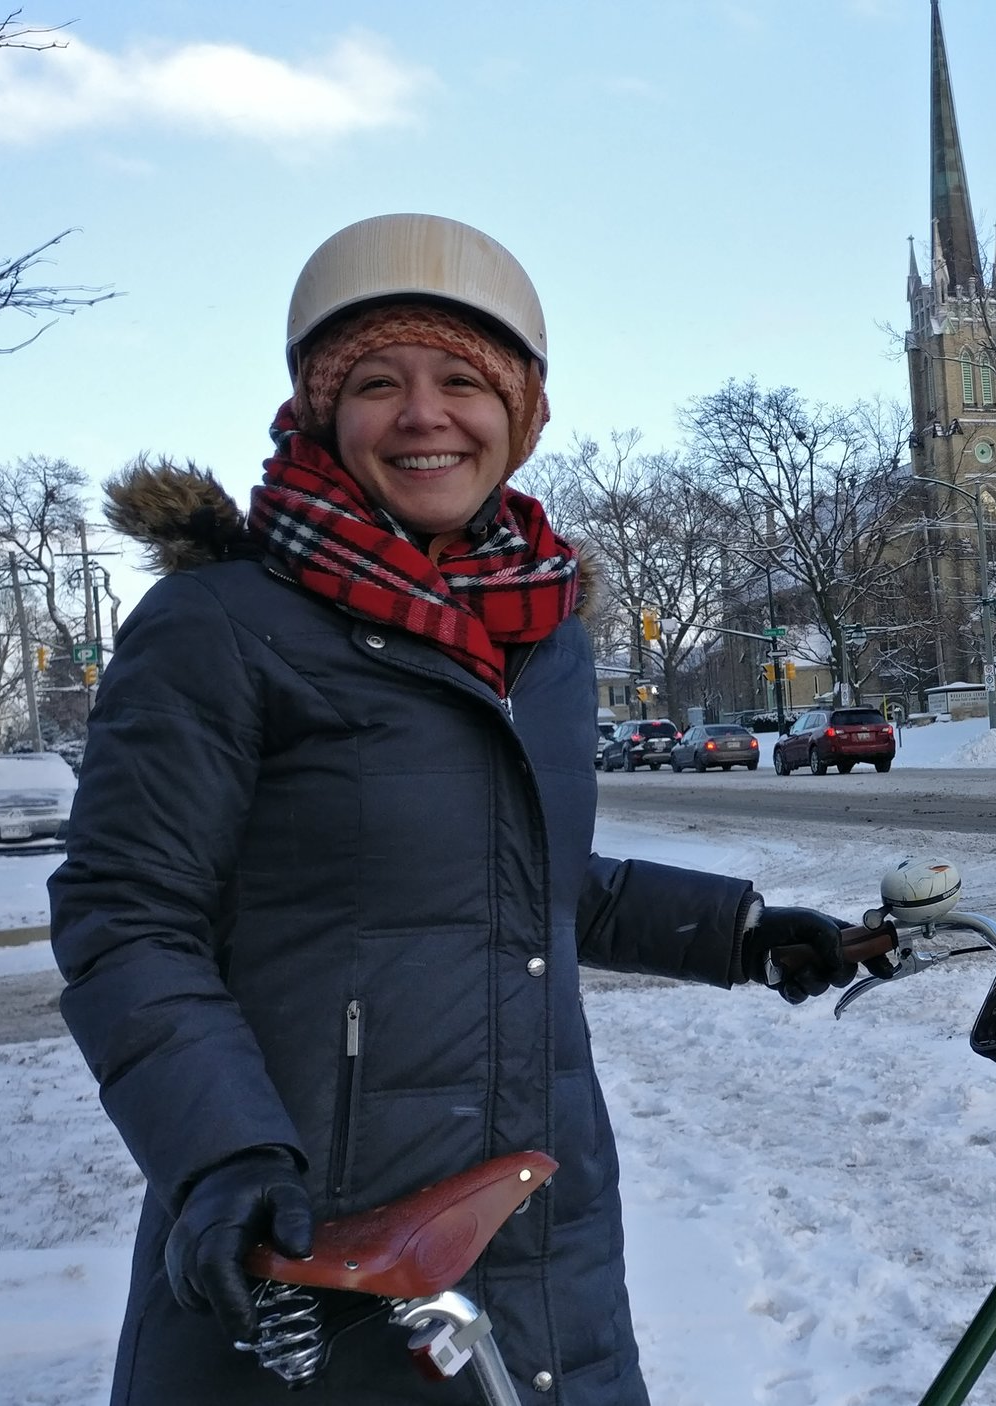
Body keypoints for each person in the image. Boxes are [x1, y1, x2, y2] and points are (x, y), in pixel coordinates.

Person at [49, 213, 863, 1406]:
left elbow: (517, 883)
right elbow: (128, 918)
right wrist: (221, 1151)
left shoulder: (540, 633)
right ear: (325, 414)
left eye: (463, 381)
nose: (424, 413)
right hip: (313, 1245)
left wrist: (734, 930)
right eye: (377, 381)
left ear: (521, 413)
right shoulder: (221, 626)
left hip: (541, 1230)